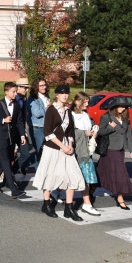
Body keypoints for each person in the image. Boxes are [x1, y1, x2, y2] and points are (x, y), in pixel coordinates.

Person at [32, 85, 85, 221]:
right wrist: (62, 146)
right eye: (62, 93)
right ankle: (46, 204)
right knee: (50, 176)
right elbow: (48, 133)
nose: (65, 95)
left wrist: (71, 145)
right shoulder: (51, 110)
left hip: (67, 148)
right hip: (53, 147)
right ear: (56, 95)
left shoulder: (68, 112)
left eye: (67, 93)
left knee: (72, 177)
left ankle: (69, 208)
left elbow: (70, 131)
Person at [0, 82, 27, 199]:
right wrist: (3, 120)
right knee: (6, 160)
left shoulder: (17, 105)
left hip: (12, 137)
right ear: (6, 92)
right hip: (1, 136)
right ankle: (14, 190)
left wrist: (22, 135)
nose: (15, 93)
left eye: (16, 91)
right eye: (13, 91)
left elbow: (20, 121)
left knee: (3, 159)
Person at [97, 95, 132, 210]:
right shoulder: (106, 117)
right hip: (110, 150)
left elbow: (128, 135)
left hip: (120, 150)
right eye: (120, 106)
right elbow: (100, 131)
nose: (122, 108)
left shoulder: (125, 118)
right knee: (118, 174)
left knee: (104, 172)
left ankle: (94, 186)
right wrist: (110, 127)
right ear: (115, 106)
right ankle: (120, 199)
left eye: (124, 106)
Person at [70, 92, 101, 216]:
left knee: (86, 177)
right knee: (70, 177)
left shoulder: (85, 114)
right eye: (85, 101)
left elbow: (88, 128)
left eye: (88, 102)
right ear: (77, 102)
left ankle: (87, 203)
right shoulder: (71, 115)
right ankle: (58, 194)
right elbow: (70, 132)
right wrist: (84, 133)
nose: (87, 104)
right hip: (75, 150)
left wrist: (93, 133)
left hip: (86, 150)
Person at [27, 77, 50, 170]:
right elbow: (37, 113)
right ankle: (37, 172)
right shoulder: (32, 99)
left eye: (44, 85)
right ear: (36, 87)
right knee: (39, 150)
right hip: (37, 127)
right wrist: (47, 108)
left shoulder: (46, 97)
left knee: (46, 151)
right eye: (41, 86)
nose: (44, 87)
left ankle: (25, 165)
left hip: (47, 126)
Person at [15, 78, 32, 174]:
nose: (26, 90)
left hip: (21, 129)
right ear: (18, 87)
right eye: (24, 88)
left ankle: (17, 168)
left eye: (27, 88)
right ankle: (9, 175)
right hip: (13, 130)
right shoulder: (16, 99)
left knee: (25, 153)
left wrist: (23, 130)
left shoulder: (24, 98)